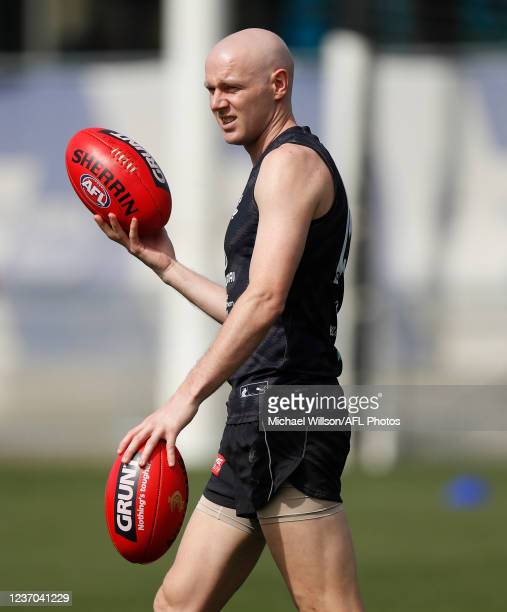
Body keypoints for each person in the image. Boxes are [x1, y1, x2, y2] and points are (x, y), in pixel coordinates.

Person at [95, 27, 364, 612]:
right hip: (259, 417)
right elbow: (257, 309)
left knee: (328, 606)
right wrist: (166, 267)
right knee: (177, 605)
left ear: (278, 84)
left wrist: (183, 400)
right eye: (211, 88)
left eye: (232, 87)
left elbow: (264, 304)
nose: (217, 101)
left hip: (288, 413)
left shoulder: (288, 165)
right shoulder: (274, 165)